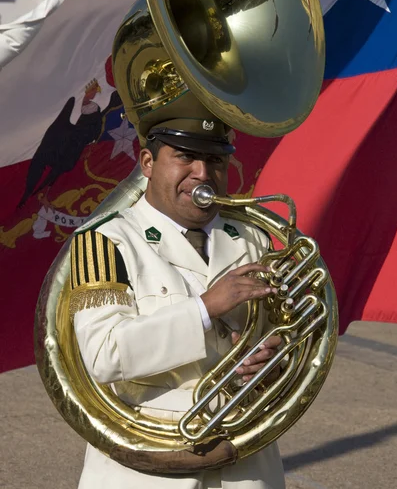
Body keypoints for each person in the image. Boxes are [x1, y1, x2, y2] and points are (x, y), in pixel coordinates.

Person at [70, 107, 286, 489]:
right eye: (185, 156)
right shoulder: (104, 242)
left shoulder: (255, 238)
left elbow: (285, 336)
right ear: (148, 163)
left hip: (247, 467)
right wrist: (204, 308)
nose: (202, 174)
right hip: (144, 471)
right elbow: (104, 355)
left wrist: (274, 353)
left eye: (215, 160)